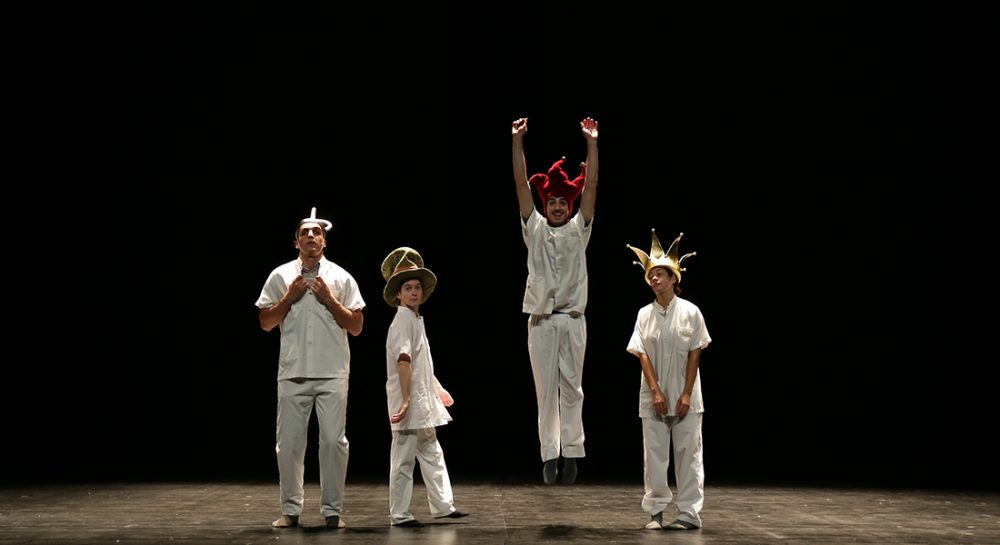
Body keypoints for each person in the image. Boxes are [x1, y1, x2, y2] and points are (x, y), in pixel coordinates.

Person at [255, 207, 365, 530]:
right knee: (288, 444)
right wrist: (288, 298)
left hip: (332, 372)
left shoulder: (342, 278)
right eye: (305, 232)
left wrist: (330, 300)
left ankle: (332, 511)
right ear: (296, 242)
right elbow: (265, 322)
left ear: (325, 242)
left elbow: (357, 326)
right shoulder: (279, 277)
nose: (311, 237)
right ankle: (290, 510)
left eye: (316, 233)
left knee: (333, 442)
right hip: (293, 373)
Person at [511, 116, 599, 485]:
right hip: (542, 320)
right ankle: (550, 454)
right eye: (554, 201)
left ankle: (573, 451)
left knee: (572, 388)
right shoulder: (534, 228)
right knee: (546, 391)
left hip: (573, 318)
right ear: (546, 205)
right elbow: (520, 183)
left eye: (565, 201)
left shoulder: (580, 229)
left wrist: (592, 144)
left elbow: (592, 185)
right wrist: (517, 142)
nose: (559, 206)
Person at [625, 229, 711, 531]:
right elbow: (642, 354)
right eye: (652, 275)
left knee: (688, 455)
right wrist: (656, 391)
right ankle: (656, 511)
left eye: (661, 274)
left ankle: (689, 513)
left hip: (687, 396)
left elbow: (694, 353)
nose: (655, 279)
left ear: (674, 279)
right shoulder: (643, 314)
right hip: (654, 397)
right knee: (655, 456)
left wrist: (686, 394)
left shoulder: (691, 312)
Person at [381, 247, 469, 527]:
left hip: (421, 399)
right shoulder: (402, 321)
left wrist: (437, 389)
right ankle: (400, 514)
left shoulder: (416, 319)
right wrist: (406, 400)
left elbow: (422, 364)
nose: (414, 292)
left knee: (431, 449)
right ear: (398, 294)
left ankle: (443, 506)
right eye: (407, 288)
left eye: (417, 287)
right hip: (409, 400)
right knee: (404, 456)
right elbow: (404, 361)